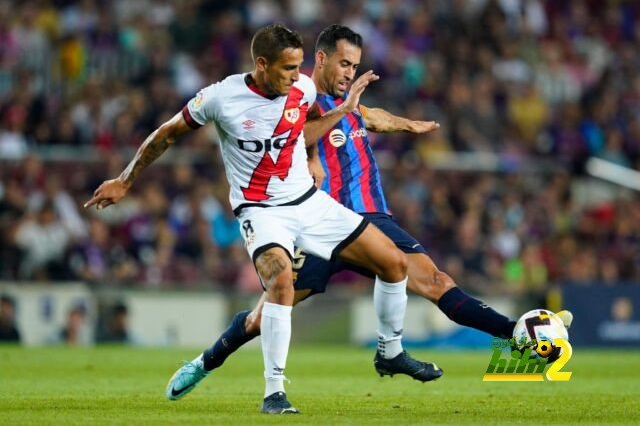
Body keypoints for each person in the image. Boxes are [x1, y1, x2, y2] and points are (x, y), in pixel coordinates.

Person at [162, 24, 575, 400]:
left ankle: (515, 334)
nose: (348, 72)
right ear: (319, 59)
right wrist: (311, 159)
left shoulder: (349, 103)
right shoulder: (297, 97)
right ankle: (203, 363)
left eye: (355, 65)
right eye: (343, 63)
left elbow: (371, 117)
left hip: (367, 220)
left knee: (433, 281)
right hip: (318, 220)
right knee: (264, 313)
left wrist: (407, 124)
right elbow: (285, 136)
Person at [84, 23, 439, 414]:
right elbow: (166, 134)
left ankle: (390, 352)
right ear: (262, 64)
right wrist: (124, 179)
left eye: (299, 66)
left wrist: (334, 126)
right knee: (281, 284)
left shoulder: (302, 89)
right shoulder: (221, 97)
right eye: (288, 68)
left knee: (393, 261)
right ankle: (274, 393)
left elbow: (305, 132)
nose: (297, 76)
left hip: (307, 201)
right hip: (261, 211)